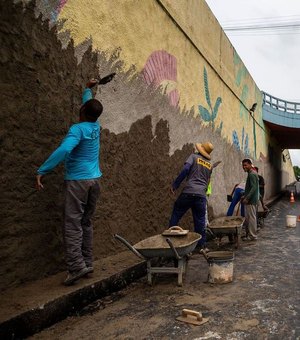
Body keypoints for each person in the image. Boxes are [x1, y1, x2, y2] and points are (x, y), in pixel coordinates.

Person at [36, 79, 103, 285]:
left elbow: (65, 150)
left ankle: (76, 267)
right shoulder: (95, 126)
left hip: (78, 182)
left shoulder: (77, 129)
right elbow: (90, 106)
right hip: (95, 181)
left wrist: (43, 170)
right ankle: (88, 263)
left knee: (72, 223)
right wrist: (88, 89)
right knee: (86, 222)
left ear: (82, 111)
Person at [169, 142, 214, 250]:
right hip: (201, 196)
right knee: (200, 221)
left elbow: (185, 170)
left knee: (176, 213)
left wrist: (175, 185)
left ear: (200, 149)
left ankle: (169, 240)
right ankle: (202, 246)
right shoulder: (210, 165)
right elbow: (208, 182)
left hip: (188, 192)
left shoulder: (193, 157)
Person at [241, 158, 259, 241]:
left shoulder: (252, 174)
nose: (244, 167)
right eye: (243, 165)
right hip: (251, 199)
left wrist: (247, 198)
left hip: (251, 200)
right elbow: (251, 187)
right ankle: (249, 235)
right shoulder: (251, 173)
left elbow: (254, 187)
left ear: (250, 165)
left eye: (245, 165)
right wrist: (245, 195)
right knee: (249, 218)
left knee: (251, 218)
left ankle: (252, 236)